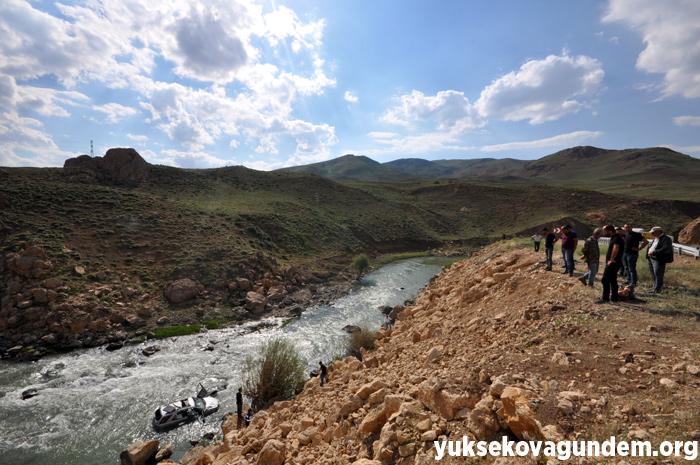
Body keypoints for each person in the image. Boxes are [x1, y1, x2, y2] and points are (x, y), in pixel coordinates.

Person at [597, 224, 624, 304]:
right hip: (616, 262)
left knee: (605, 279)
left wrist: (611, 259)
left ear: (609, 231)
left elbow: (616, 248)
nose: (604, 232)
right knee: (613, 280)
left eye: (605, 231)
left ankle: (605, 298)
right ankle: (614, 298)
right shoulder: (615, 237)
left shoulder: (616, 238)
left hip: (613, 263)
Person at [646, 226, 673, 293]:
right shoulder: (656, 238)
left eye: (653, 232)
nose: (652, 234)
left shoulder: (666, 239)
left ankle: (657, 289)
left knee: (658, 274)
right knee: (654, 273)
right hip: (652, 258)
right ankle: (654, 287)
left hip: (659, 259)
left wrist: (654, 252)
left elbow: (666, 248)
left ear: (658, 232)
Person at [622, 224, 649, 288]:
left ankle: (634, 282)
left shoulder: (636, 235)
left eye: (629, 227)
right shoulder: (626, 235)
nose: (627, 228)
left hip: (632, 254)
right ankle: (629, 280)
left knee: (632, 268)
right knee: (626, 268)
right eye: (626, 227)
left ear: (632, 227)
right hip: (625, 253)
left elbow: (646, 242)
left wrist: (639, 248)